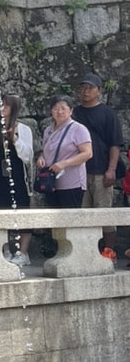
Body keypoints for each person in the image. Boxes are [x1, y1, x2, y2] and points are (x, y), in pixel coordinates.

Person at [72, 72, 123, 256]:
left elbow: (115, 143)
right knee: (83, 213)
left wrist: (111, 169)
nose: (85, 91)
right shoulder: (74, 113)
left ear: (99, 91)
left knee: (104, 212)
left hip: (101, 170)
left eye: (90, 88)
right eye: (83, 87)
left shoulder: (108, 114)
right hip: (78, 171)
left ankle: (109, 251)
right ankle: (86, 252)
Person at [0, 95, 34, 264]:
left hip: (17, 176)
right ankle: (6, 250)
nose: (2, 108)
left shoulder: (23, 129)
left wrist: (15, 139)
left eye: (7, 106)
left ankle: (23, 252)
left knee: (22, 212)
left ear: (14, 108)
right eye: (1, 105)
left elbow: (28, 156)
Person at [36, 95, 93, 209]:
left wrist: (64, 163)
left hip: (72, 183)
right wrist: (41, 157)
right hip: (51, 183)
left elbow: (87, 153)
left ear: (71, 111)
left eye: (63, 108)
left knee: (69, 219)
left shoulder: (78, 129)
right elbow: (46, 150)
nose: (59, 111)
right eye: (55, 108)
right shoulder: (48, 130)